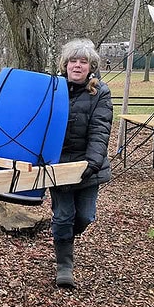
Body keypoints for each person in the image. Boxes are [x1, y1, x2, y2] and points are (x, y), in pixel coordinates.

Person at [49, 38, 113, 289]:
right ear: (65, 65)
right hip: (59, 166)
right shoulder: (53, 90)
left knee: (85, 216)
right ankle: (64, 265)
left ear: (91, 67)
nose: (77, 66)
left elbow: (100, 129)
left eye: (83, 62)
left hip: (87, 166)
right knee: (64, 216)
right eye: (73, 61)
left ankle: (63, 239)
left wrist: (93, 162)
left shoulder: (100, 93)